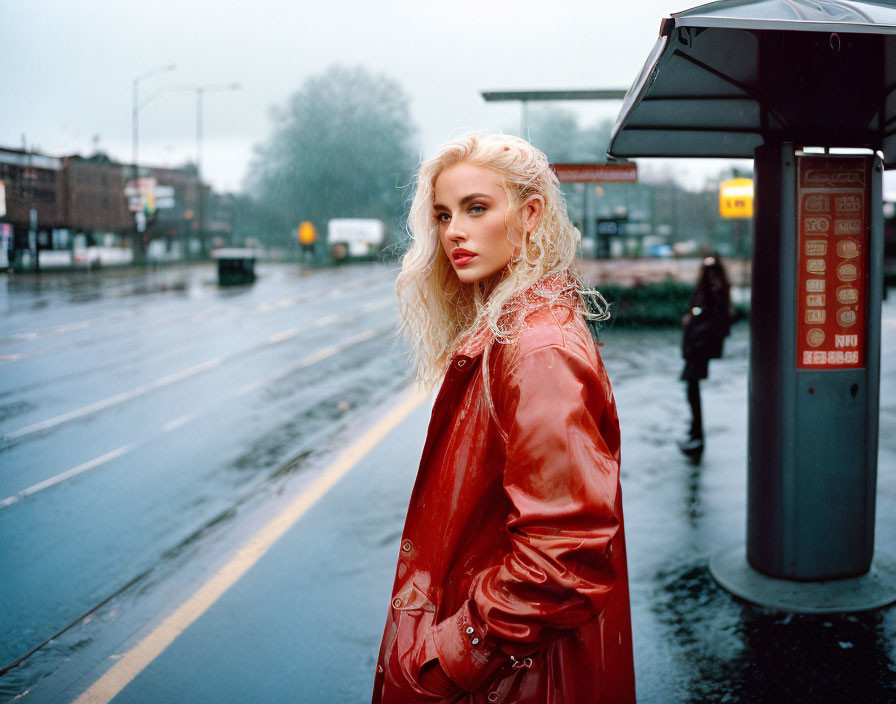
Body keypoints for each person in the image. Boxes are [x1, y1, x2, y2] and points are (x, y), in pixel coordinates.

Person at [371, 134, 636, 704]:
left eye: (476, 208)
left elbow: (564, 551)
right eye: (443, 215)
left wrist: (448, 657)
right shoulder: (512, 330)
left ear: (531, 213)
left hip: (517, 679)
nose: (453, 234)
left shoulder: (536, 347)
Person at [677, 254, 732, 462]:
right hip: (696, 347)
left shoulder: (714, 291)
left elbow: (714, 322)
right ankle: (695, 433)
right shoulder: (710, 289)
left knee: (692, 388)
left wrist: (694, 328)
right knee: (691, 389)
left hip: (699, 347)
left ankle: (697, 436)